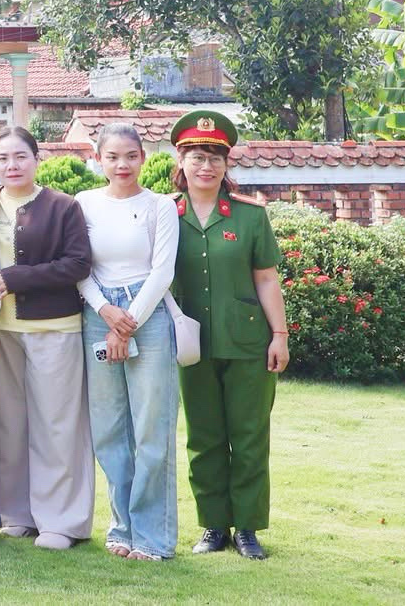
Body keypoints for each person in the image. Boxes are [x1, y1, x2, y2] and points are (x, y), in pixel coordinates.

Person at [169, 109, 287, 561]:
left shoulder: (250, 216)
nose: (207, 166)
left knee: (250, 435)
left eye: (216, 157)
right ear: (180, 161)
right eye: (197, 156)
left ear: (226, 164)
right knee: (204, 437)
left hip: (248, 343)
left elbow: (266, 280)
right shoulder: (165, 214)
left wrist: (280, 333)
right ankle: (214, 526)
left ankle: (248, 528)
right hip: (190, 345)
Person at [0, 126, 95, 551]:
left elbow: (78, 263)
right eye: (2, 158)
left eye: (20, 156)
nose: (11, 165)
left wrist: (16, 278)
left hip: (54, 329)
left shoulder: (63, 206)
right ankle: (17, 513)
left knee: (57, 426)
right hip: (0, 330)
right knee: (10, 425)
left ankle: (62, 521)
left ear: (36, 159)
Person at [77, 121, 181, 562]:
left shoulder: (160, 206)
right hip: (97, 310)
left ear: (143, 158)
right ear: (97, 159)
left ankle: (152, 538)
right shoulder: (82, 204)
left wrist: (128, 321)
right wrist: (106, 313)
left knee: (151, 429)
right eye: (112, 156)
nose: (122, 165)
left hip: (148, 313)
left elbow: (163, 271)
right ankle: (121, 528)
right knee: (110, 430)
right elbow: (78, 265)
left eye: (131, 156)